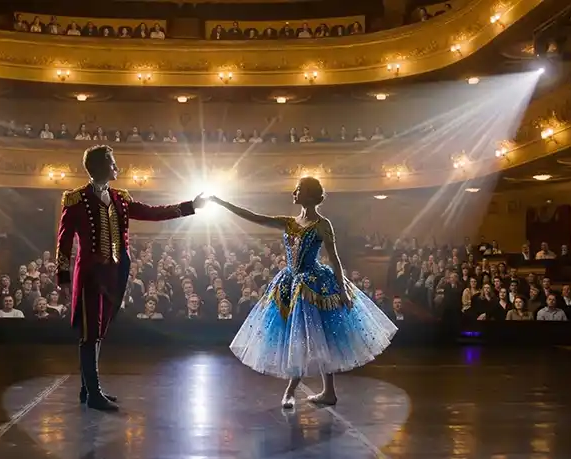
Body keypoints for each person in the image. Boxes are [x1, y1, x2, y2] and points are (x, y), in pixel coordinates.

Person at [211, 176, 397, 409]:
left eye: (298, 189)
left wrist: (343, 290)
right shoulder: (288, 222)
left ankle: (299, 391)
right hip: (289, 282)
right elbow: (255, 218)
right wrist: (221, 203)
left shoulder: (322, 225)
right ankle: (320, 392)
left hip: (312, 285)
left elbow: (335, 259)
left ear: (308, 194)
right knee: (298, 336)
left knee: (321, 336)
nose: (293, 193)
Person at [56, 144, 206, 411]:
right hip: (90, 275)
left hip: (115, 274)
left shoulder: (121, 198)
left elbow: (152, 212)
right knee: (90, 333)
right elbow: (64, 242)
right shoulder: (75, 199)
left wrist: (189, 207)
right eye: (113, 162)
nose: (117, 167)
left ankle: (87, 388)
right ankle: (92, 393)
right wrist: (64, 278)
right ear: (102, 166)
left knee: (100, 331)